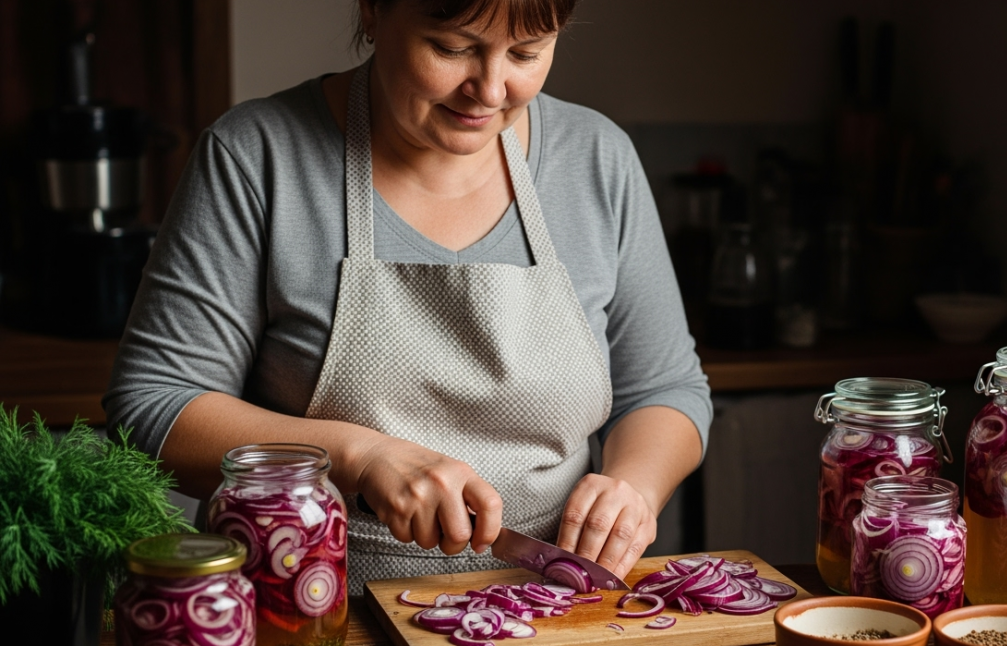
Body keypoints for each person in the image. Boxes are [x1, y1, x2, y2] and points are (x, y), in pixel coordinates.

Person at [104, 0, 710, 596]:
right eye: (453, 49)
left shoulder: (597, 157)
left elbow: (664, 389)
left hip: (550, 611)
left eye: (527, 53)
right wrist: (358, 456)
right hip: (309, 613)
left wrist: (632, 486)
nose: (491, 89)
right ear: (372, 12)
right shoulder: (257, 155)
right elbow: (154, 405)